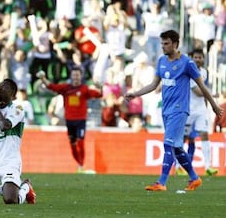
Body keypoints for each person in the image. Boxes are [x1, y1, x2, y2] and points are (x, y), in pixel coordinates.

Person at [124, 30, 223, 191]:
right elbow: (153, 85)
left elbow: (201, 86)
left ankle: (161, 182)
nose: (163, 46)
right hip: (166, 110)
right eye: (162, 43)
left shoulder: (187, 63)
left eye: (166, 43)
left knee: (168, 143)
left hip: (180, 110)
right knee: (177, 147)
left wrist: (213, 104)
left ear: (175, 44)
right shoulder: (162, 61)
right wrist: (136, 93)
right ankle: (194, 178)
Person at [36, 66, 102, 173]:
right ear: (71, 76)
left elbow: (99, 94)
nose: (76, 77)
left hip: (81, 120)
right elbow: (51, 86)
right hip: (70, 121)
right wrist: (43, 78)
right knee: (73, 144)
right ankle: (79, 165)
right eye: (74, 75)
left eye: (77, 75)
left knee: (80, 141)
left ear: (81, 76)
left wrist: (100, 87)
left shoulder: (84, 89)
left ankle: (81, 165)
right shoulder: (66, 88)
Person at [177, 49, 218, 176]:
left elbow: (203, 94)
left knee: (204, 134)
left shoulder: (204, 72)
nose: (198, 59)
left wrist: (207, 106)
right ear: (191, 58)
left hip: (200, 110)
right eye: (196, 57)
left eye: (200, 57)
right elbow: (197, 92)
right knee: (183, 138)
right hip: (188, 109)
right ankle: (178, 167)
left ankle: (207, 167)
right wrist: (212, 94)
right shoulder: (187, 72)